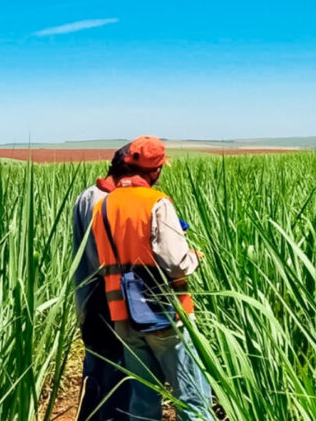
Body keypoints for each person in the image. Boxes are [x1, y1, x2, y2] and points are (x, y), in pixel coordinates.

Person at [90, 135, 212, 421]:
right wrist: (195, 256)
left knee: (143, 398)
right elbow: (176, 264)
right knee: (192, 397)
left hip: (122, 315)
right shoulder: (157, 202)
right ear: (154, 170)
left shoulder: (103, 207)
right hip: (165, 313)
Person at [72, 147, 132, 421]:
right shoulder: (107, 202)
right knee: (116, 375)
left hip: (87, 298)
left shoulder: (86, 195)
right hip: (107, 299)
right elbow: (104, 260)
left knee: (94, 369)